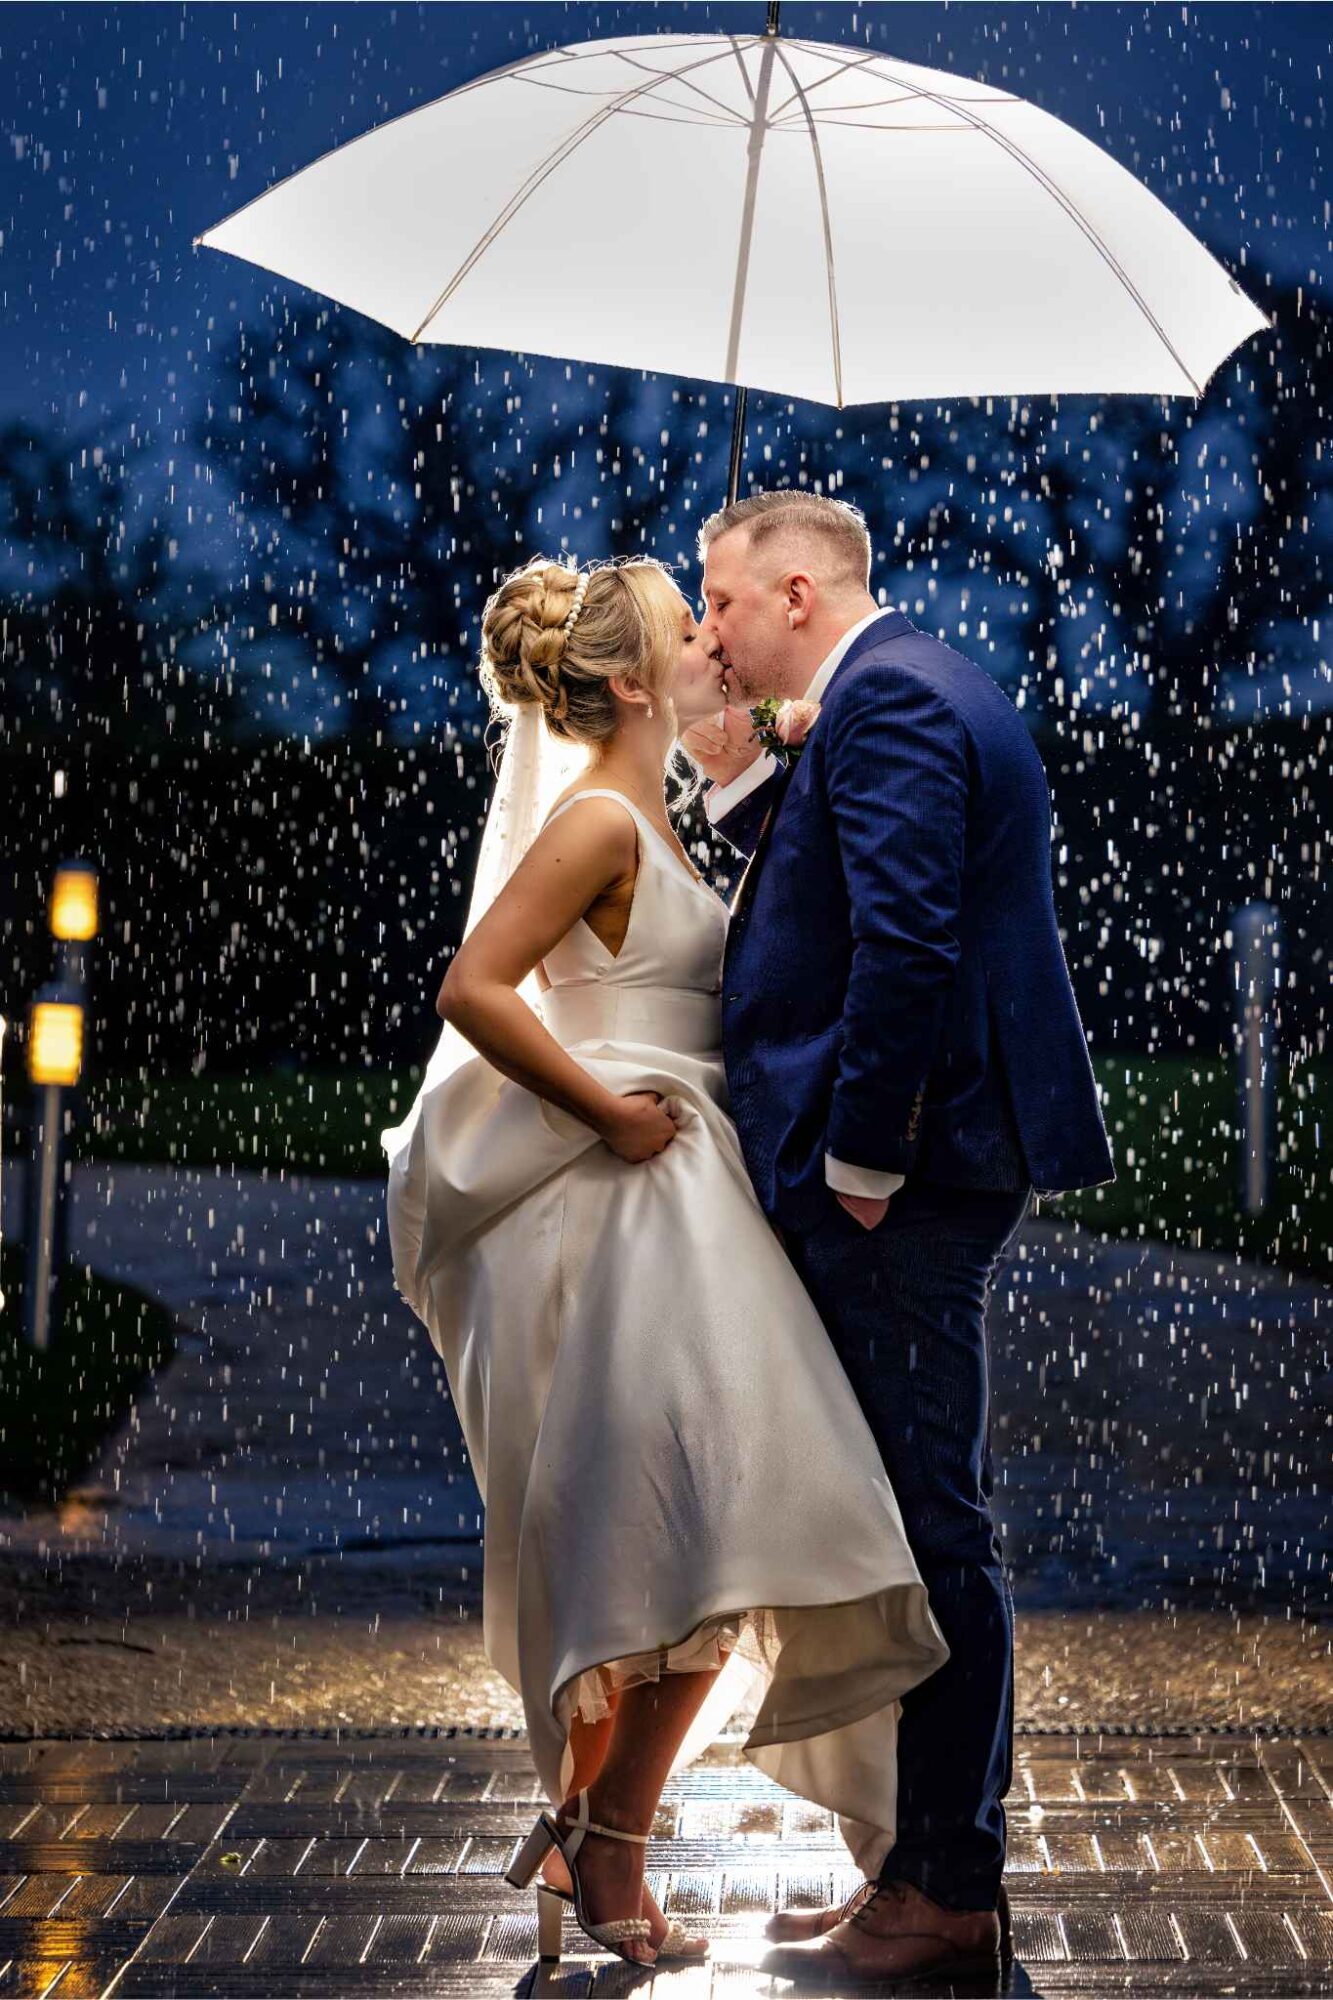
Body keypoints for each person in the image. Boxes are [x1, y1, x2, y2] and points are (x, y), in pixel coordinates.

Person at [381, 553, 950, 1970]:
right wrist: (602, 1110)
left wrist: (775, 747)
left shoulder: (660, 812)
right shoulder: (592, 823)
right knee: (695, 1531)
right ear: (631, 679)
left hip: (687, 1210)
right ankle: (605, 1847)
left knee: (716, 1533)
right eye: (690, 630)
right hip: (635, 1214)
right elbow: (472, 986)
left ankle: (597, 1839)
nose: (714, 642)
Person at [682, 489, 1116, 1987]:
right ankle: (911, 1862)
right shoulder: (886, 692)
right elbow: (821, 896)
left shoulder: (897, 705)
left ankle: (943, 1880)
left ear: (797, 592)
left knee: (931, 1521)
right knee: (903, 1507)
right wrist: (736, 762)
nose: (708, 631)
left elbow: (908, 944)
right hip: (907, 1169)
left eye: (721, 603)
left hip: (906, 1177)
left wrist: (861, 1160)